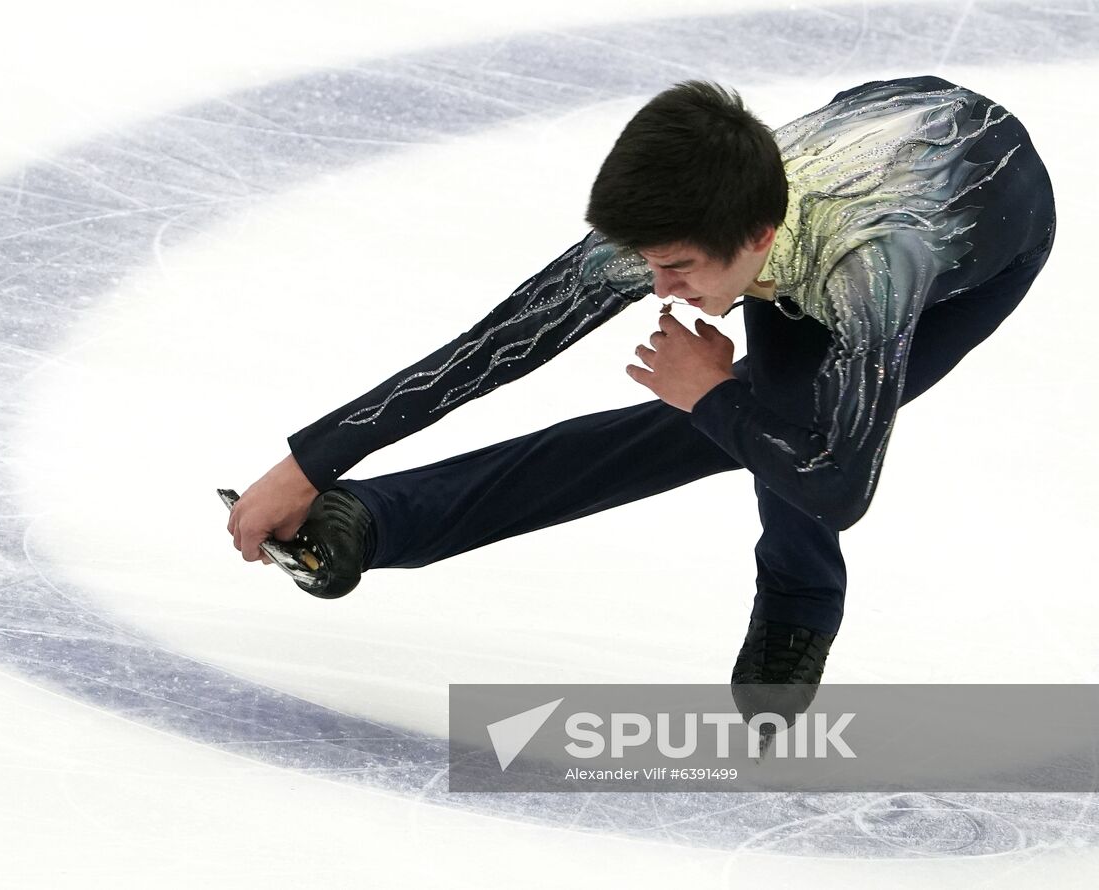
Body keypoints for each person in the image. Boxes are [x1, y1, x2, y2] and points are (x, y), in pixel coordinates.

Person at [224, 76, 1056, 721]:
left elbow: (839, 485)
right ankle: (376, 516)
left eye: (680, 269)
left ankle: (799, 601)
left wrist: (715, 396)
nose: (658, 290)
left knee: (783, 422)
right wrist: (307, 465)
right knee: (750, 415)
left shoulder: (874, 273)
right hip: (879, 124)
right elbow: (494, 348)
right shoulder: (690, 219)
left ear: (758, 237)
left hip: (986, 237)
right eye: (647, 263)